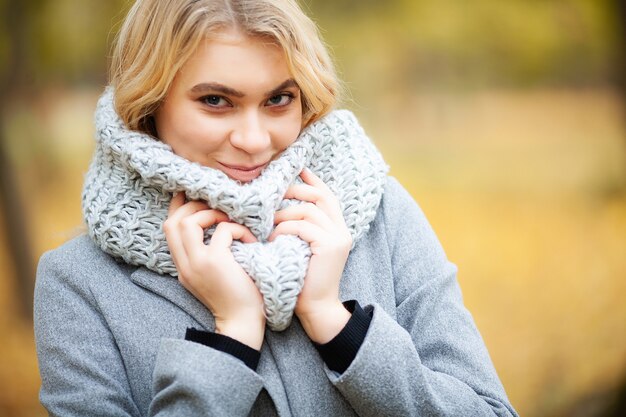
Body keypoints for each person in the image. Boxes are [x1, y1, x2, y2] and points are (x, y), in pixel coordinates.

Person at [34, 0, 519, 416]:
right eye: (216, 100)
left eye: (278, 99)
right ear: (149, 103)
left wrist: (337, 324)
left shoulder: (379, 213)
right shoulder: (77, 283)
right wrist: (233, 338)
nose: (253, 140)